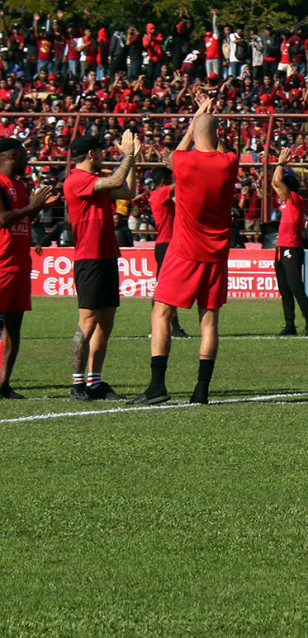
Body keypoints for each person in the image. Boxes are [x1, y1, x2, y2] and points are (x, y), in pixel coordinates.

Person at [129, 94, 239, 406]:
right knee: (209, 321)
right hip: (216, 256)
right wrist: (205, 122)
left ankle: (157, 385)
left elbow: (178, 150)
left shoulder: (183, 161)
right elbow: (218, 149)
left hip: (183, 252)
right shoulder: (229, 163)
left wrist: (195, 120)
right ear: (218, 135)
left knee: (161, 313)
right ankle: (201, 391)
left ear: (195, 132)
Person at [64, 131, 138, 401]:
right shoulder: (76, 180)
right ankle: (77, 384)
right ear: (92, 154)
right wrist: (127, 156)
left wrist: (134, 159)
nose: (105, 155)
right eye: (102, 152)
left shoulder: (94, 180)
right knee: (88, 321)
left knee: (105, 323)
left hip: (106, 256)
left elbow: (127, 190)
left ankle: (95, 383)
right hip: (90, 258)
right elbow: (118, 179)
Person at [0, 138, 59, 399]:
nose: (28, 160)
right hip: (1, 265)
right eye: (25, 156)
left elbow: (19, 218)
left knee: (14, 327)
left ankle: (3, 384)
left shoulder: (21, 187)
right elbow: (2, 220)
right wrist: (32, 207)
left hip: (20, 265)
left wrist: (37, 209)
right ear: (12, 155)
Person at [271, 147, 308, 337]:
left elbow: (276, 181)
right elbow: (275, 183)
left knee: (295, 287)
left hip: (292, 247)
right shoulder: (287, 202)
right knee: (285, 288)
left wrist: (281, 163)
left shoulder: (295, 199)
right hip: (282, 247)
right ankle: (289, 324)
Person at [147, 165, 188, 338]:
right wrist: (175, 165)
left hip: (168, 245)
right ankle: (170, 327)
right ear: (164, 182)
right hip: (166, 245)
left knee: (168, 287)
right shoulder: (158, 194)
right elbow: (180, 183)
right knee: (165, 289)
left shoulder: (162, 198)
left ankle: (169, 327)